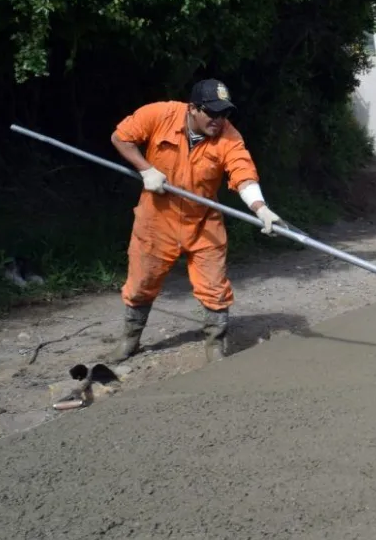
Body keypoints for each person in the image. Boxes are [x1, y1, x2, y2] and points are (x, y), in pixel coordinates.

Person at [108, 78, 282, 363]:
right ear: (192, 109)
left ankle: (215, 345)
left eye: (224, 113)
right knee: (141, 283)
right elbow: (121, 137)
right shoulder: (159, 114)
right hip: (156, 218)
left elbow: (242, 171)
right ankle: (130, 340)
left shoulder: (229, 136)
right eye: (212, 113)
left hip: (203, 222)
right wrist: (146, 169)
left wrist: (260, 208)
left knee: (215, 287)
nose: (219, 120)